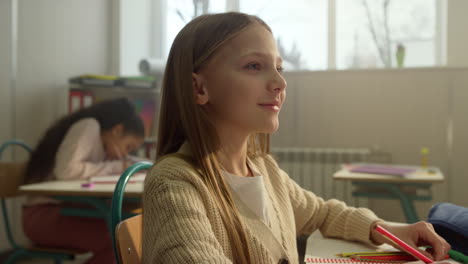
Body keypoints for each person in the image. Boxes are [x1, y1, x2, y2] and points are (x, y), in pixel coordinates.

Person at [142, 12, 450, 264]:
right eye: (254, 66)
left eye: (278, 67)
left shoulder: (264, 170)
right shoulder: (175, 184)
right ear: (199, 89)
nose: (279, 82)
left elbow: (323, 213)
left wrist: (390, 230)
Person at [23, 97, 145, 264]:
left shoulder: (105, 146)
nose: (124, 154)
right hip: (42, 215)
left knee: (125, 233)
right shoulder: (89, 126)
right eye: (128, 146)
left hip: (68, 211)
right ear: (117, 130)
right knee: (121, 240)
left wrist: (146, 164)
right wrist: (117, 166)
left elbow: (124, 161)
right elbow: (66, 171)